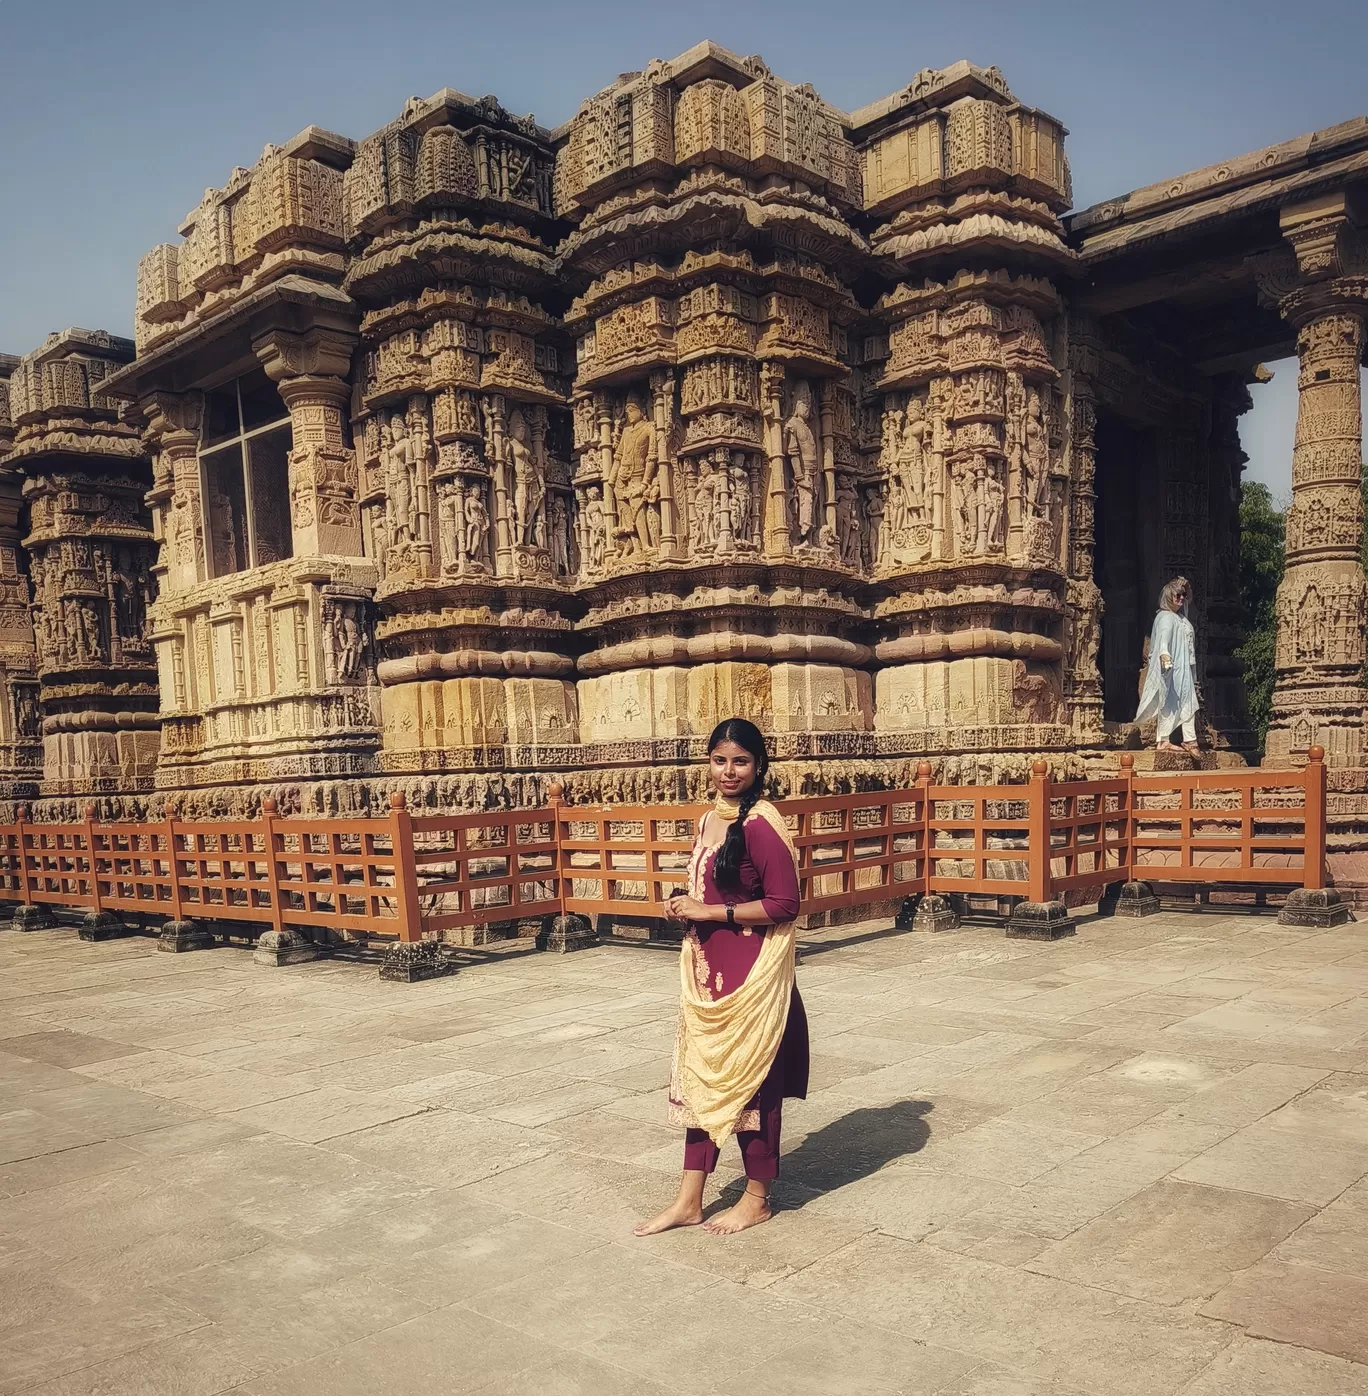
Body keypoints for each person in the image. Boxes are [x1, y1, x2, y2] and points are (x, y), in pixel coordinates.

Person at [633, 718, 808, 1238]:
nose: (728, 771)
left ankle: (757, 1198)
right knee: (700, 1080)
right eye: (719, 760)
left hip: (752, 976)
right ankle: (689, 1200)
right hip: (708, 972)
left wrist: (711, 913)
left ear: (758, 767)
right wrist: (685, 908)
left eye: (740, 761)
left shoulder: (760, 825)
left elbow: (785, 904)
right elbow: (712, 890)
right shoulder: (709, 820)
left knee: (751, 1085)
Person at [1136, 576, 1199, 753]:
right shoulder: (1165, 617)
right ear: (1168, 597)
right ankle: (1164, 740)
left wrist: (1186, 586)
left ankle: (1189, 739)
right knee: (1169, 701)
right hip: (1171, 667)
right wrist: (1165, 659)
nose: (1181, 598)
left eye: (1182, 595)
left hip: (1184, 667)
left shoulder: (1180, 617)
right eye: (1177, 595)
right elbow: (1163, 642)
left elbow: (1189, 599)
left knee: (1189, 701)